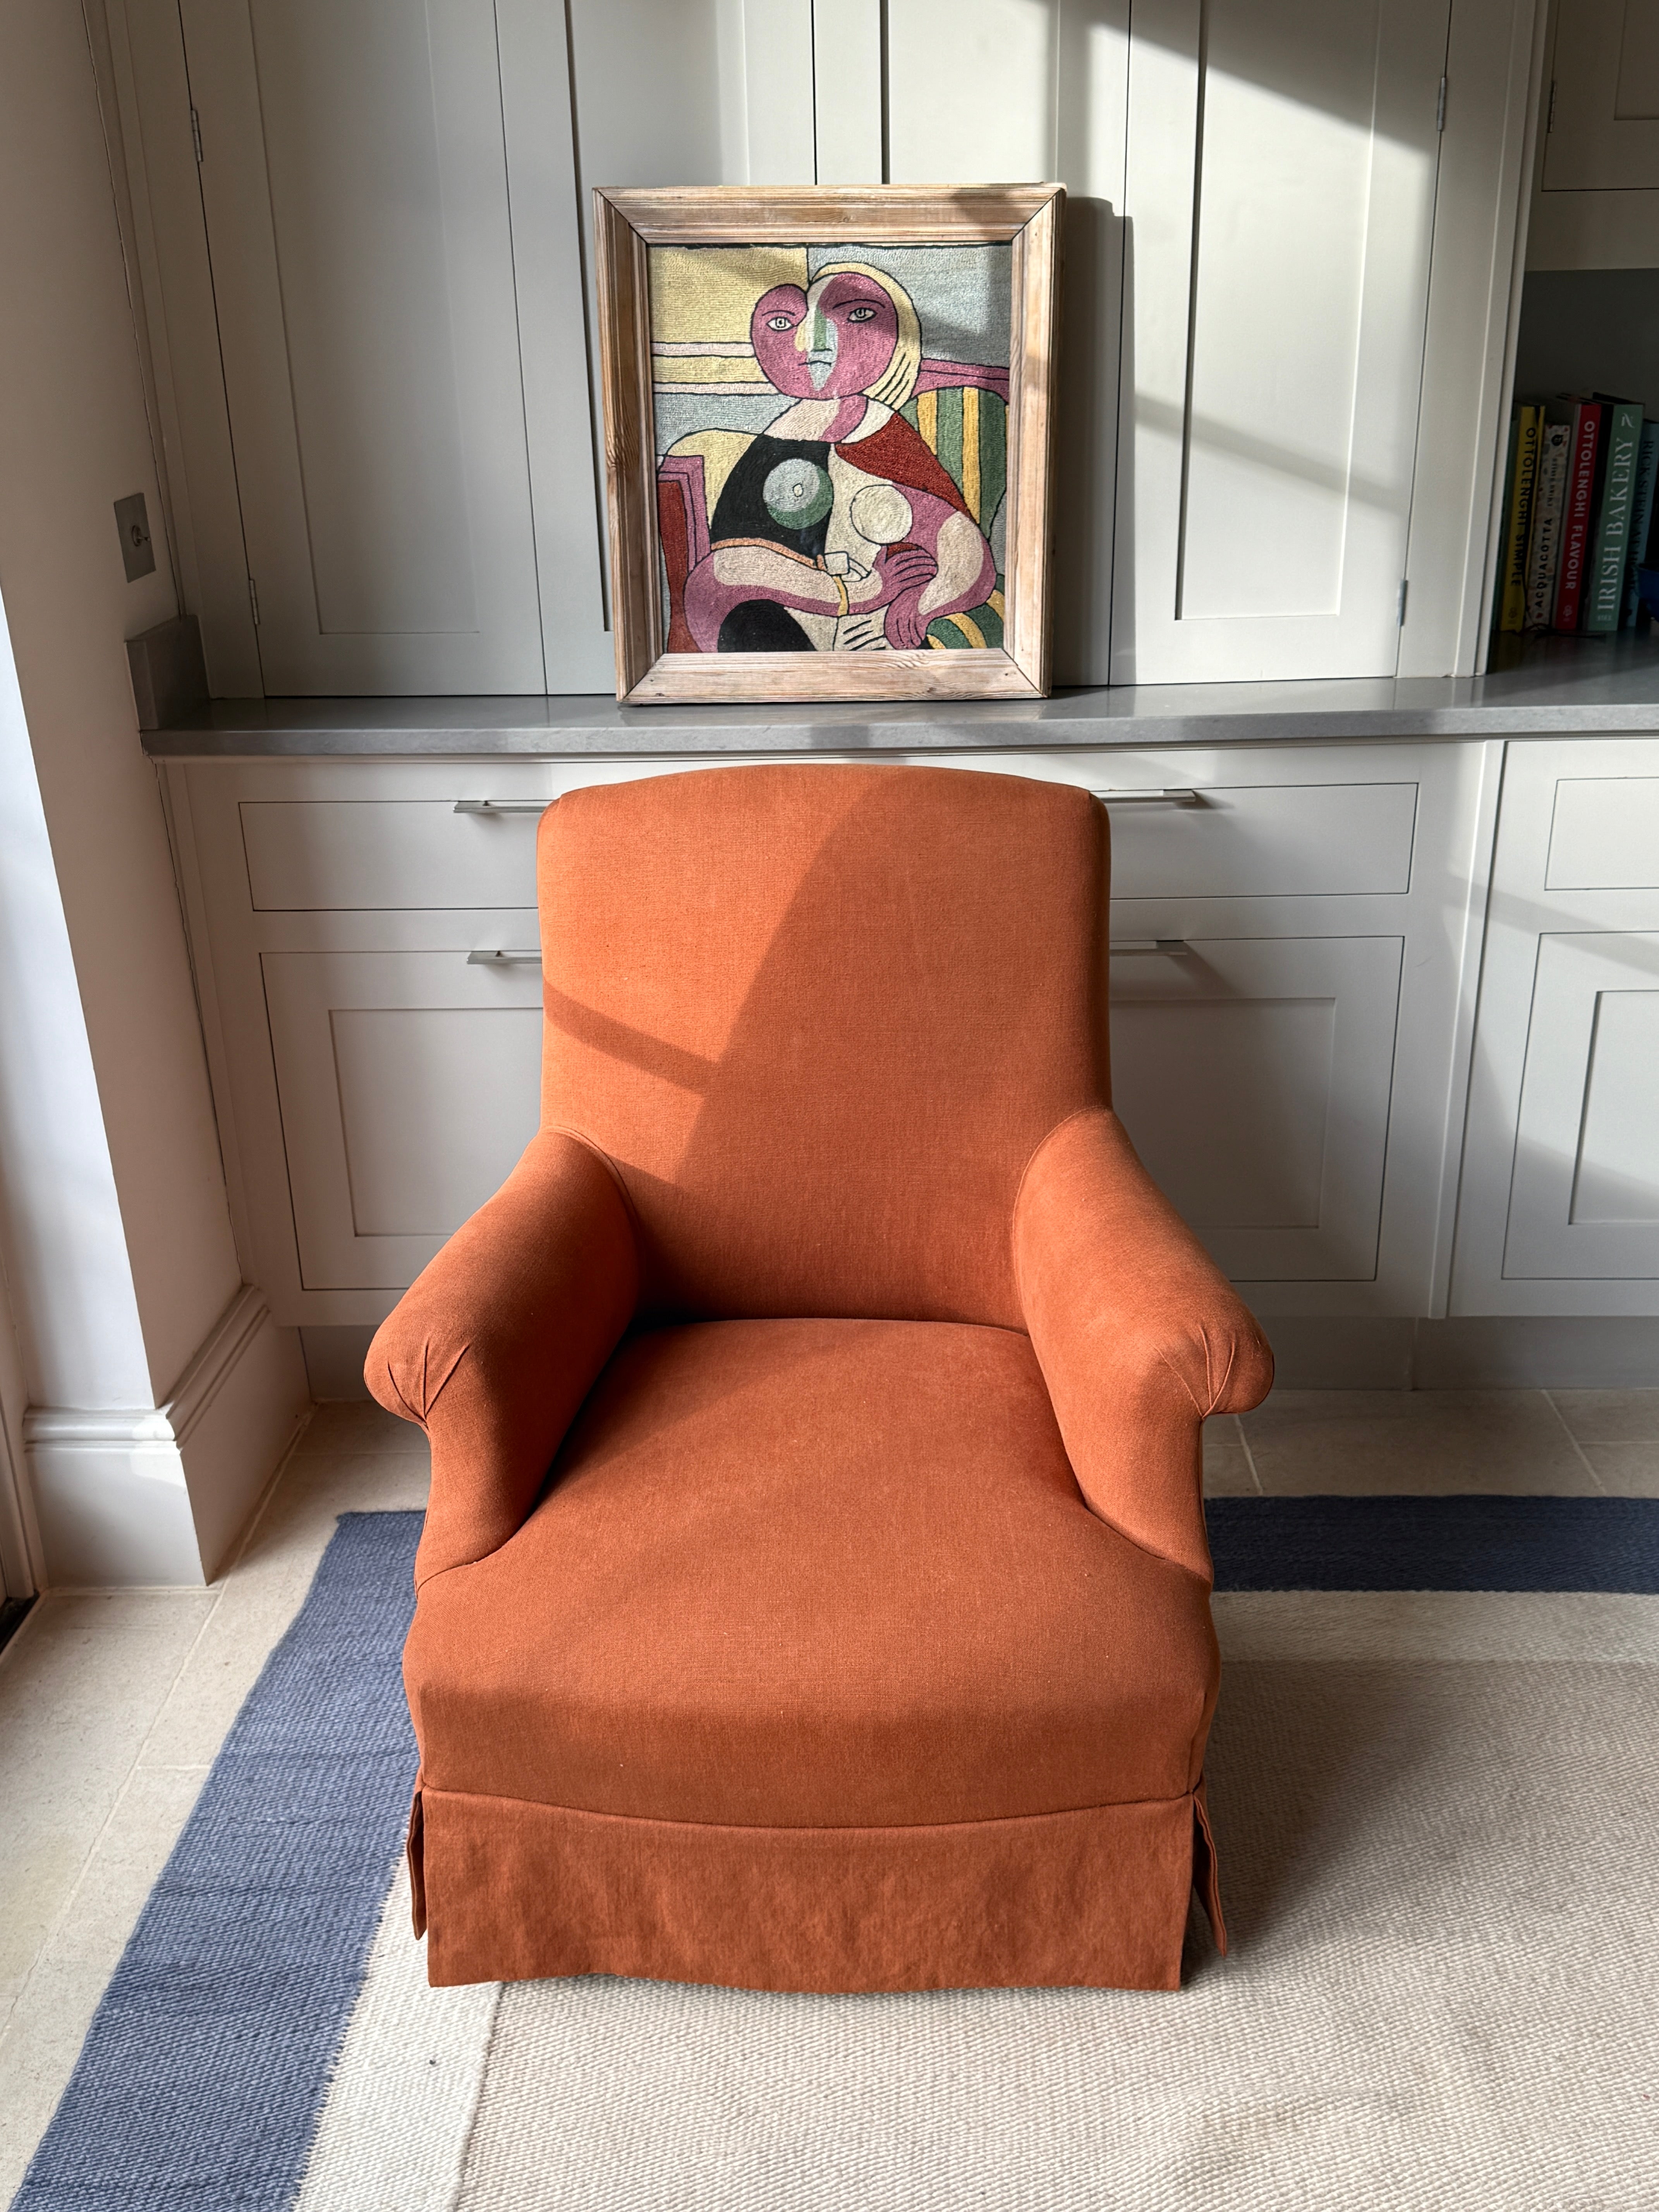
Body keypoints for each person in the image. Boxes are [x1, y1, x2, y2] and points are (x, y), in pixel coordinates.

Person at [680, 264, 997, 654]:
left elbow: (964, 551)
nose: (813, 343)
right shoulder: (776, 442)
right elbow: (724, 573)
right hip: (788, 627)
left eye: (858, 315)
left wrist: (923, 603)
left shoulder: (883, 434)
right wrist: (858, 592)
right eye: (782, 323)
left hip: (877, 637)